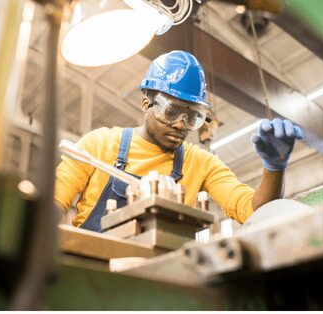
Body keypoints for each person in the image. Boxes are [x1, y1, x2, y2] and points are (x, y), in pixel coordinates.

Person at [54, 50, 303, 232]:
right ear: (146, 104)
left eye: (193, 116)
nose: (182, 124)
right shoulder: (98, 145)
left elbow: (253, 211)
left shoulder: (201, 162)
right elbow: (53, 203)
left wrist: (274, 169)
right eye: (171, 111)